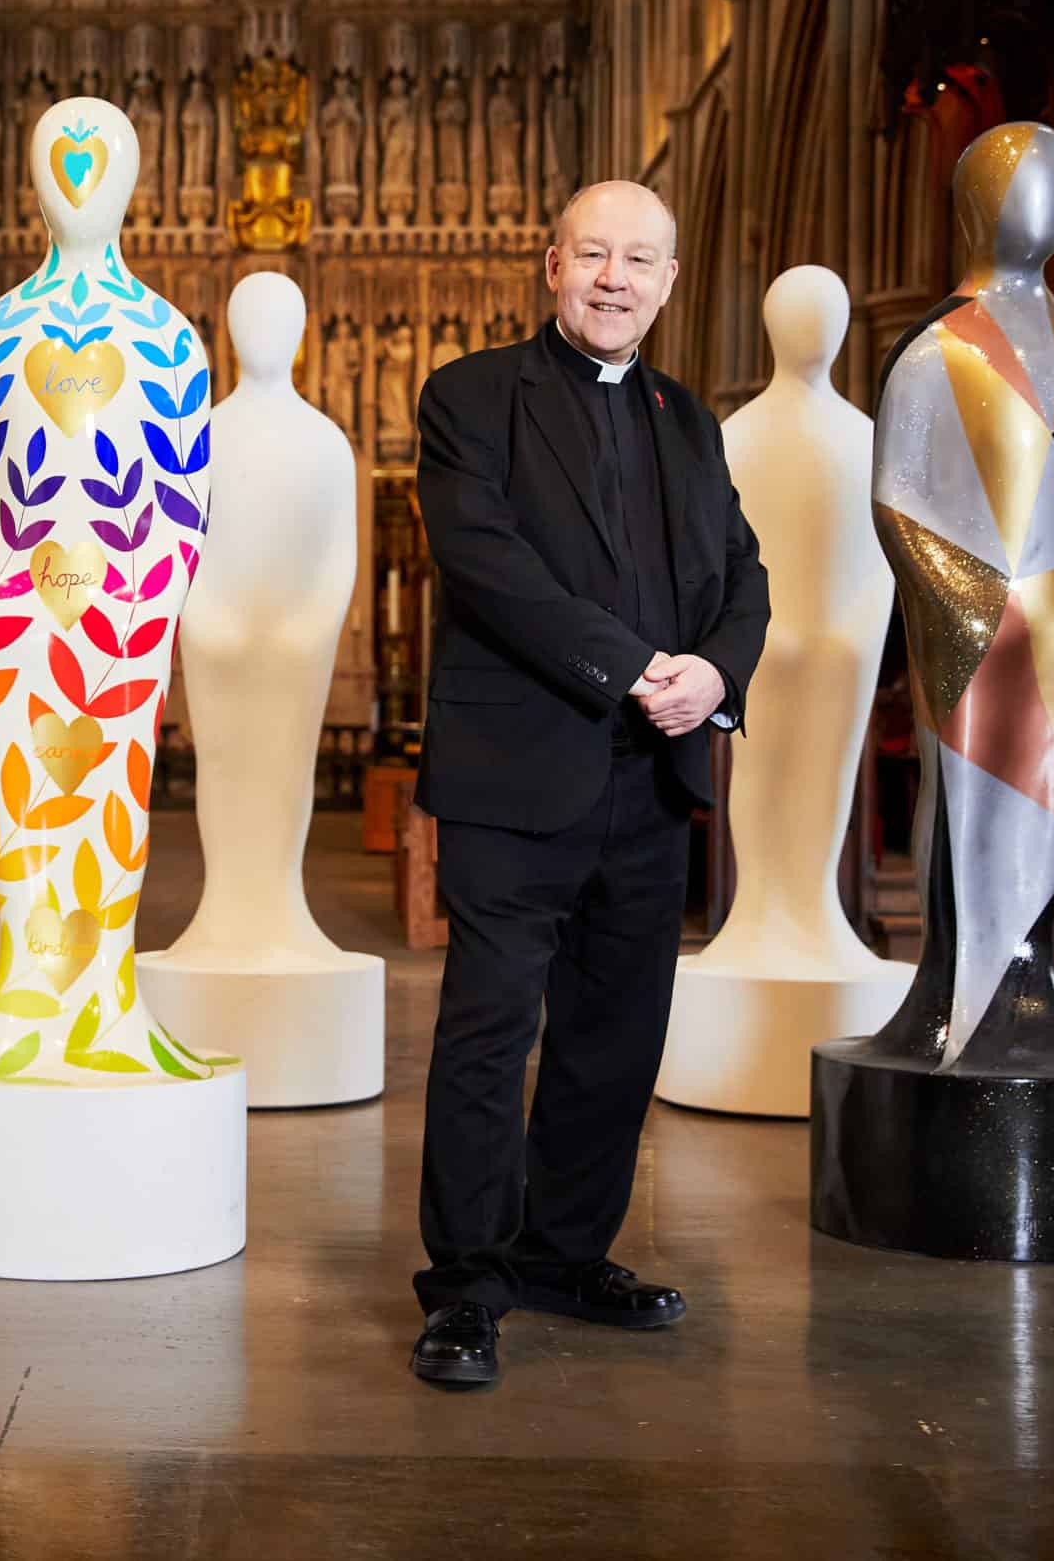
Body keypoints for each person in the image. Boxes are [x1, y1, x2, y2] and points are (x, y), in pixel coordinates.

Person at [406, 180, 771, 1388]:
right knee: (487, 1033)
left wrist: (710, 672)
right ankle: (466, 1286)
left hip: (649, 781)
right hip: (517, 770)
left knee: (615, 1039)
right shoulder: (469, 397)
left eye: (642, 261)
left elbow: (742, 575)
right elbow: (486, 563)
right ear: (551, 264)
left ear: (668, 283)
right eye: (595, 255)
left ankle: (564, 1255)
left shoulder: (687, 420)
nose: (616, 279)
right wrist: (630, 668)